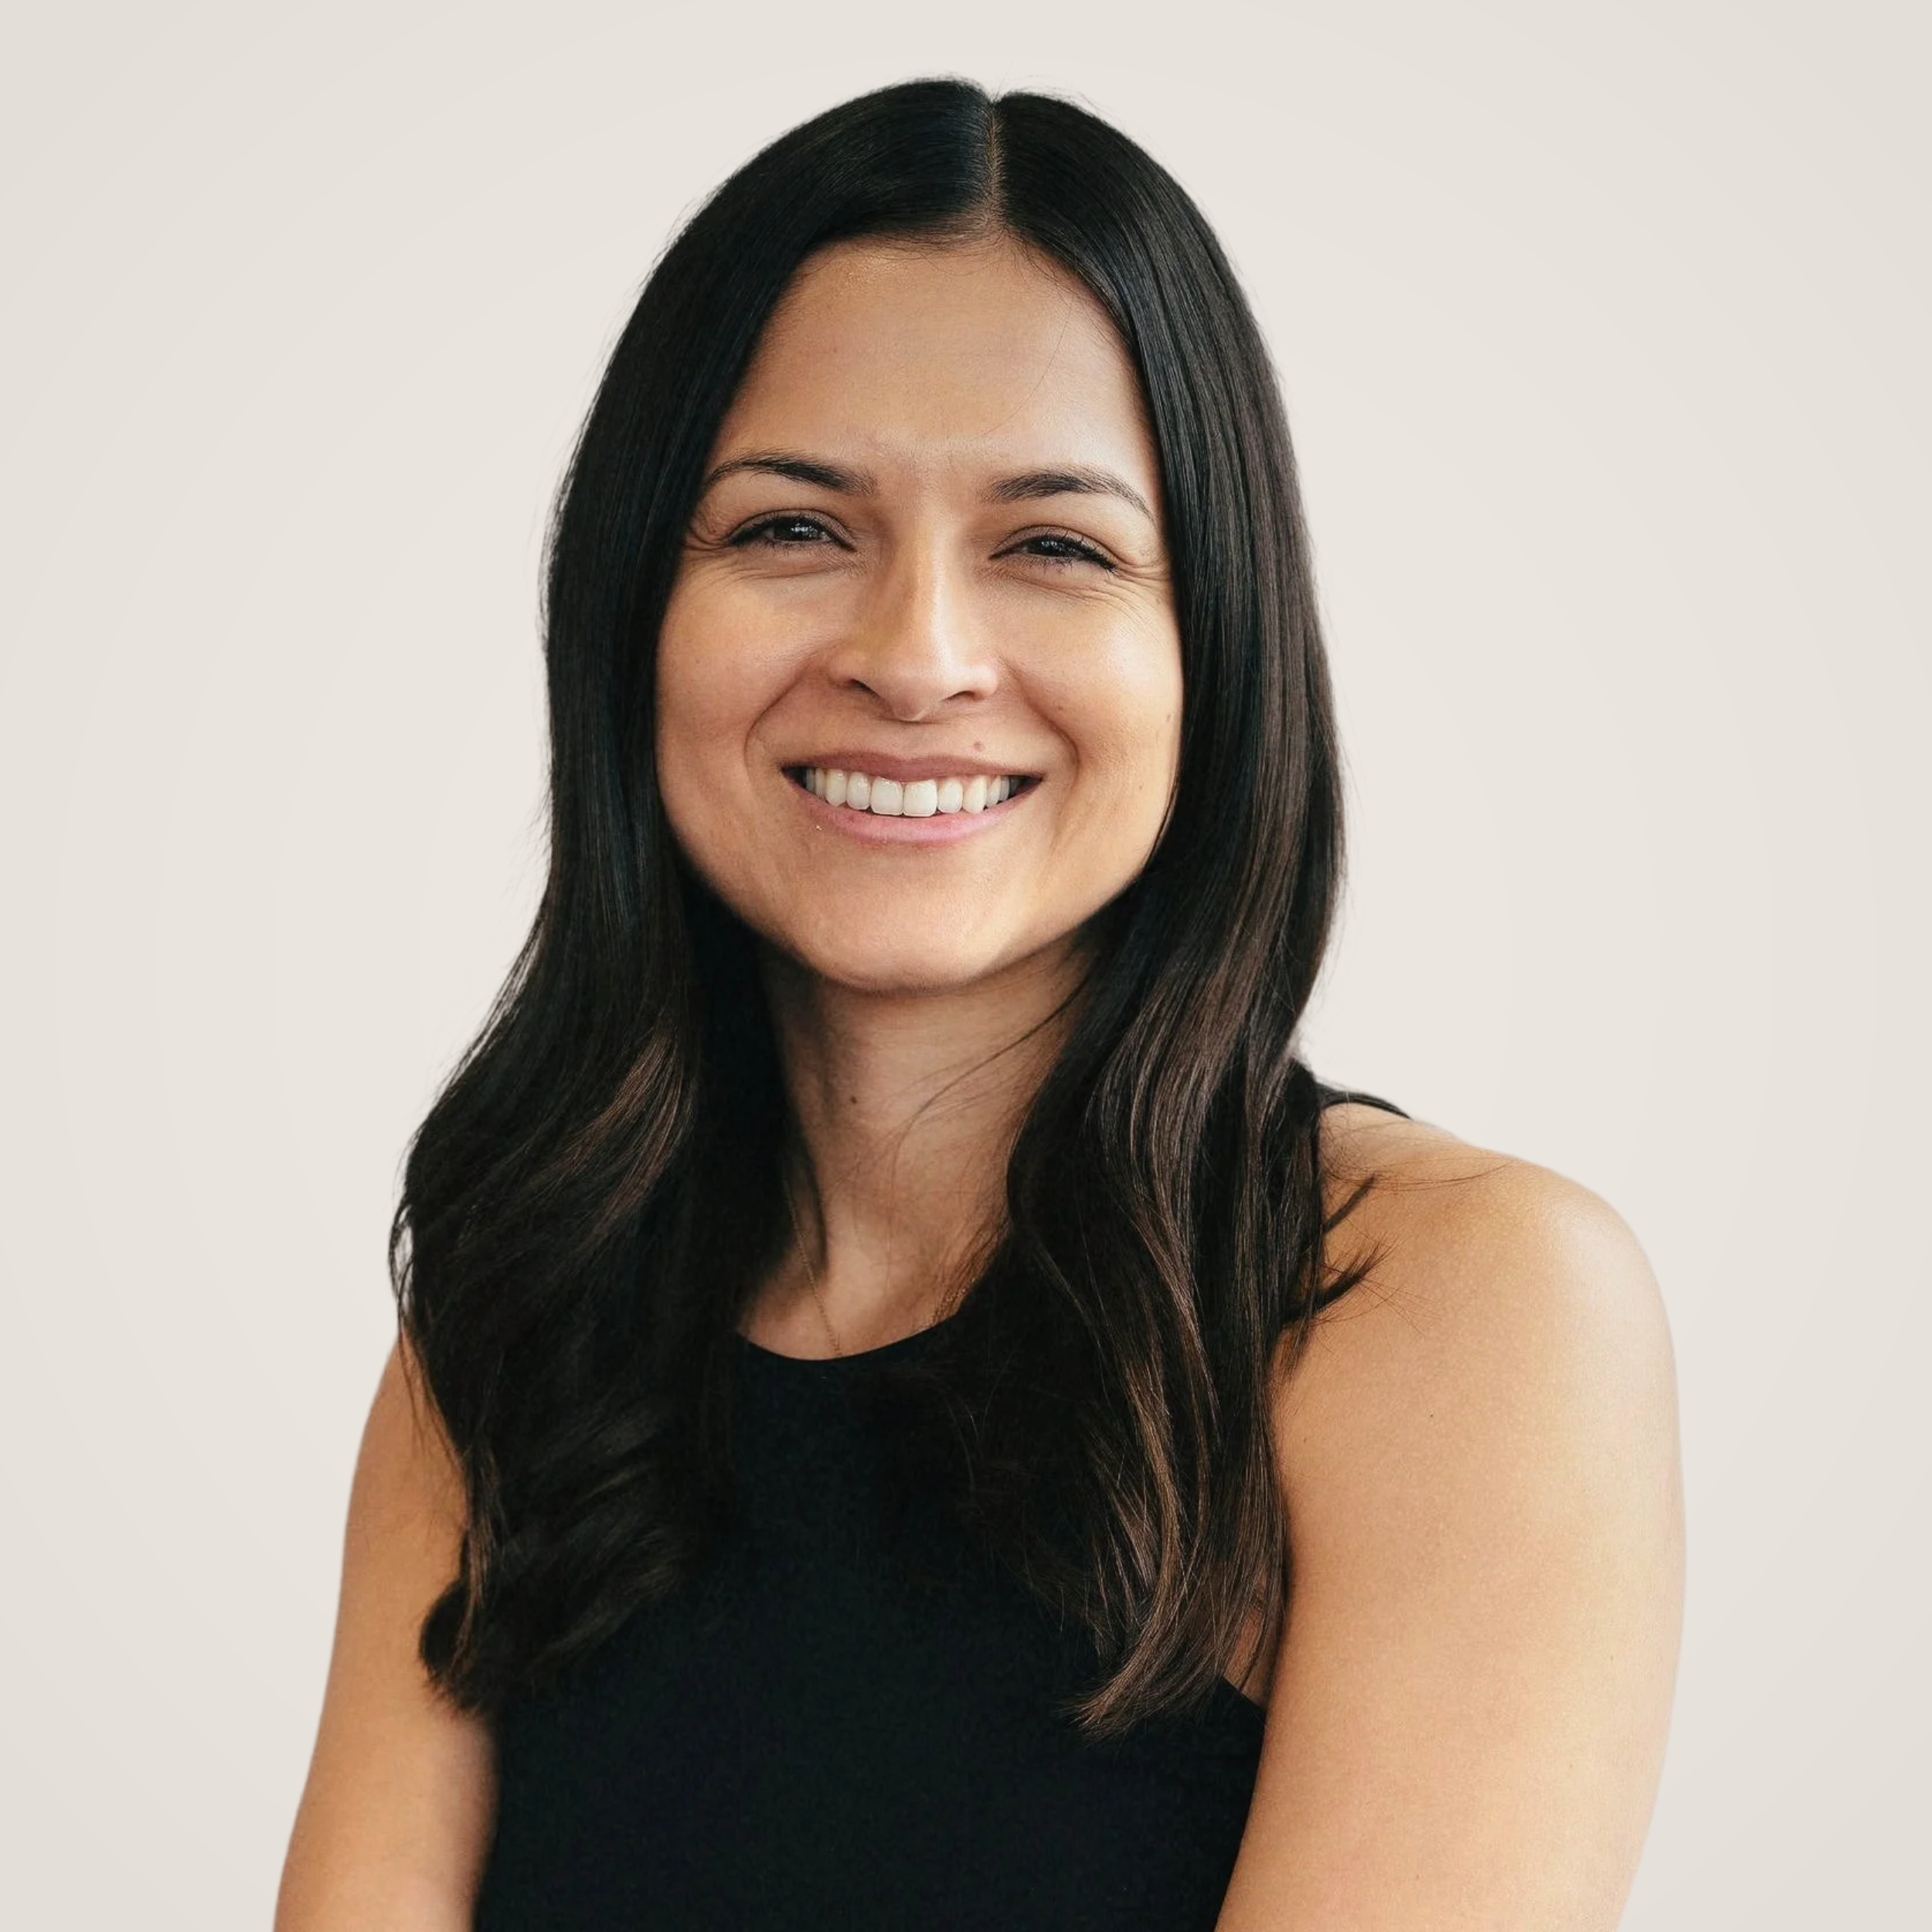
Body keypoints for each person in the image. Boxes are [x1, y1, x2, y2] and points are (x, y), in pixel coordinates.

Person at [276, 78, 1683, 1932]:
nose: (916, 656)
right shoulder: (520, 1311)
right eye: (791, 527)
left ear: (1212, 646)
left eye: (1052, 546)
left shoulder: (1444, 1304)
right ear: (632, 612)